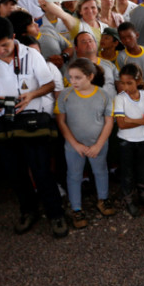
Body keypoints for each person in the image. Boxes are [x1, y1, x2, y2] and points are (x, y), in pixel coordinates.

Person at [0, 16, 68, 238]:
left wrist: (31, 95)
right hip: (3, 125)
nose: (1, 51)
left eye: (4, 45)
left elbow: (49, 84)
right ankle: (28, 211)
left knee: (42, 170)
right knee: (15, 174)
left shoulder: (31, 55)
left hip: (33, 123)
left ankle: (56, 214)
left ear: (13, 38)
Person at [56, 58, 115, 226]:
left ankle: (103, 199)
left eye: (77, 77)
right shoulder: (65, 95)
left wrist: (98, 145)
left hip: (99, 144)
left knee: (101, 171)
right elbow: (61, 122)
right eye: (71, 77)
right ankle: (76, 208)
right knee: (74, 175)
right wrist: (75, 145)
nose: (72, 81)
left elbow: (109, 122)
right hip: (73, 146)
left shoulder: (104, 95)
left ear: (90, 76)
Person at [114, 63, 144, 217]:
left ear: (138, 81)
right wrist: (143, 119)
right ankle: (129, 200)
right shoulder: (120, 99)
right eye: (123, 83)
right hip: (126, 142)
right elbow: (121, 124)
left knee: (142, 169)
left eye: (129, 83)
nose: (125, 87)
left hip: (143, 140)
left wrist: (131, 120)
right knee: (127, 172)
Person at [115, 21, 144, 89]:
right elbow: (120, 80)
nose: (127, 40)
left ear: (137, 35)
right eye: (123, 38)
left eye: (130, 36)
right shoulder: (121, 57)